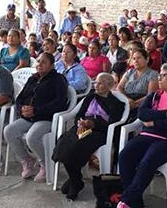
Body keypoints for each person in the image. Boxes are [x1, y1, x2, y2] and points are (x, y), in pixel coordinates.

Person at [108, 64, 167, 208]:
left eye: (163, 76)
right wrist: (163, 115)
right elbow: (142, 113)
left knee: (147, 161)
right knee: (125, 155)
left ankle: (125, 203)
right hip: (147, 136)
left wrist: (154, 122)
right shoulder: (155, 95)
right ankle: (137, 206)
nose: (159, 79)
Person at [53, 72, 125, 200]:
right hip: (82, 128)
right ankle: (75, 179)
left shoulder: (116, 104)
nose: (96, 85)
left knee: (75, 148)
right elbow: (79, 115)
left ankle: (75, 183)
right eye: (96, 82)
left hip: (99, 132)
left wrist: (93, 124)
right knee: (63, 143)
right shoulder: (90, 97)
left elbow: (112, 124)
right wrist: (80, 123)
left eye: (101, 83)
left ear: (109, 86)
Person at [3, 53, 68, 182]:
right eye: (38, 61)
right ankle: (27, 160)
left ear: (51, 65)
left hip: (46, 118)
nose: (39, 64)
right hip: (28, 117)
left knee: (31, 137)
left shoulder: (58, 79)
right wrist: (22, 108)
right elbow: (20, 98)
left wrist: (36, 111)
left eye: (44, 62)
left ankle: (45, 164)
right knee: (9, 131)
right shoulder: (33, 79)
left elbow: (59, 102)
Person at [117, 48, 159, 115]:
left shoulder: (153, 74)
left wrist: (134, 104)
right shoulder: (130, 72)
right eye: (134, 59)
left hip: (141, 104)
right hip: (125, 101)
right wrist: (127, 100)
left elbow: (150, 96)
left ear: (147, 59)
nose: (136, 61)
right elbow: (119, 87)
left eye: (139, 58)